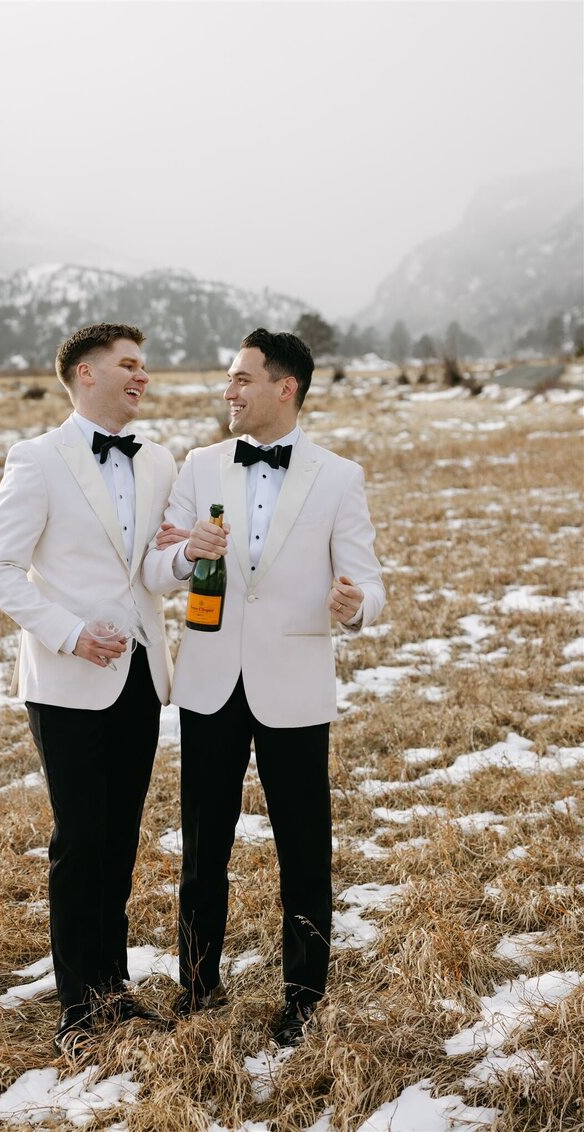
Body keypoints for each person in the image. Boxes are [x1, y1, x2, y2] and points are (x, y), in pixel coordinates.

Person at [143, 328, 385, 1046]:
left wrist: (357, 607)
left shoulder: (339, 477)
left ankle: (304, 999)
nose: (230, 391)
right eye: (228, 378)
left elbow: (371, 583)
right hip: (211, 682)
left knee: (305, 853)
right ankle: (197, 988)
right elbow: (157, 572)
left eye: (243, 379)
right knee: (201, 852)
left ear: (286, 387)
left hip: (295, 684)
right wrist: (188, 553)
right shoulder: (199, 465)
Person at [0, 323, 176, 1056]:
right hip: (66, 679)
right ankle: (77, 1008)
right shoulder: (38, 460)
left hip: (140, 673)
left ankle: (114, 987)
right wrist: (69, 632)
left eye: (145, 366)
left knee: (121, 838)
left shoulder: (157, 460)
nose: (142, 377)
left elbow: (151, 573)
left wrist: (187, 559)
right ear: (85, 375)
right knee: (80, 837)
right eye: (129, 365)